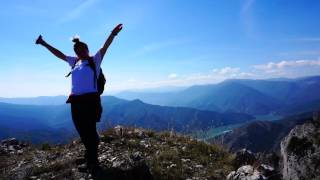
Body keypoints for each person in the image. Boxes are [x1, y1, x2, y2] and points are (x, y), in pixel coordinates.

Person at [35, 24, 123, 174]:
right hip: (75, 103)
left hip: (90, 102)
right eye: (77, 50)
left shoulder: (94, 60)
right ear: (75, 52)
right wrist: (44, 44)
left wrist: (113, 34)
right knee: (83, 132)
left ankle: (93, 163)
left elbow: (104, 47)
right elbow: (59, 54)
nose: (80, 52)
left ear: (87, 50)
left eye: (82, 49)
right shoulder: (74, 62)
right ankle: (89, 156)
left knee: (90, 133)